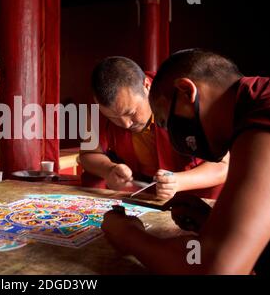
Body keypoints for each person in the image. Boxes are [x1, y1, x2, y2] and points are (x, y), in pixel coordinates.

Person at [102, 49, 270, 274]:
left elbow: (214, 269)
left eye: (165, 122)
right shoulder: (249, 111)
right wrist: (213, 222)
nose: (173, 138)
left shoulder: (263, 116)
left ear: (185, 91)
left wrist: (130, 238)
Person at [79, 56, 228, 200]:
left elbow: (223, 165)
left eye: (130, 113)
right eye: (113, 118)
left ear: (147, 86)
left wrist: (179, 182)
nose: (126, 124)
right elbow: (88, 154)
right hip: (144, 193)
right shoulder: (96, 109)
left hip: (199, 194)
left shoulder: (182, 98)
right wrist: (109, 170)